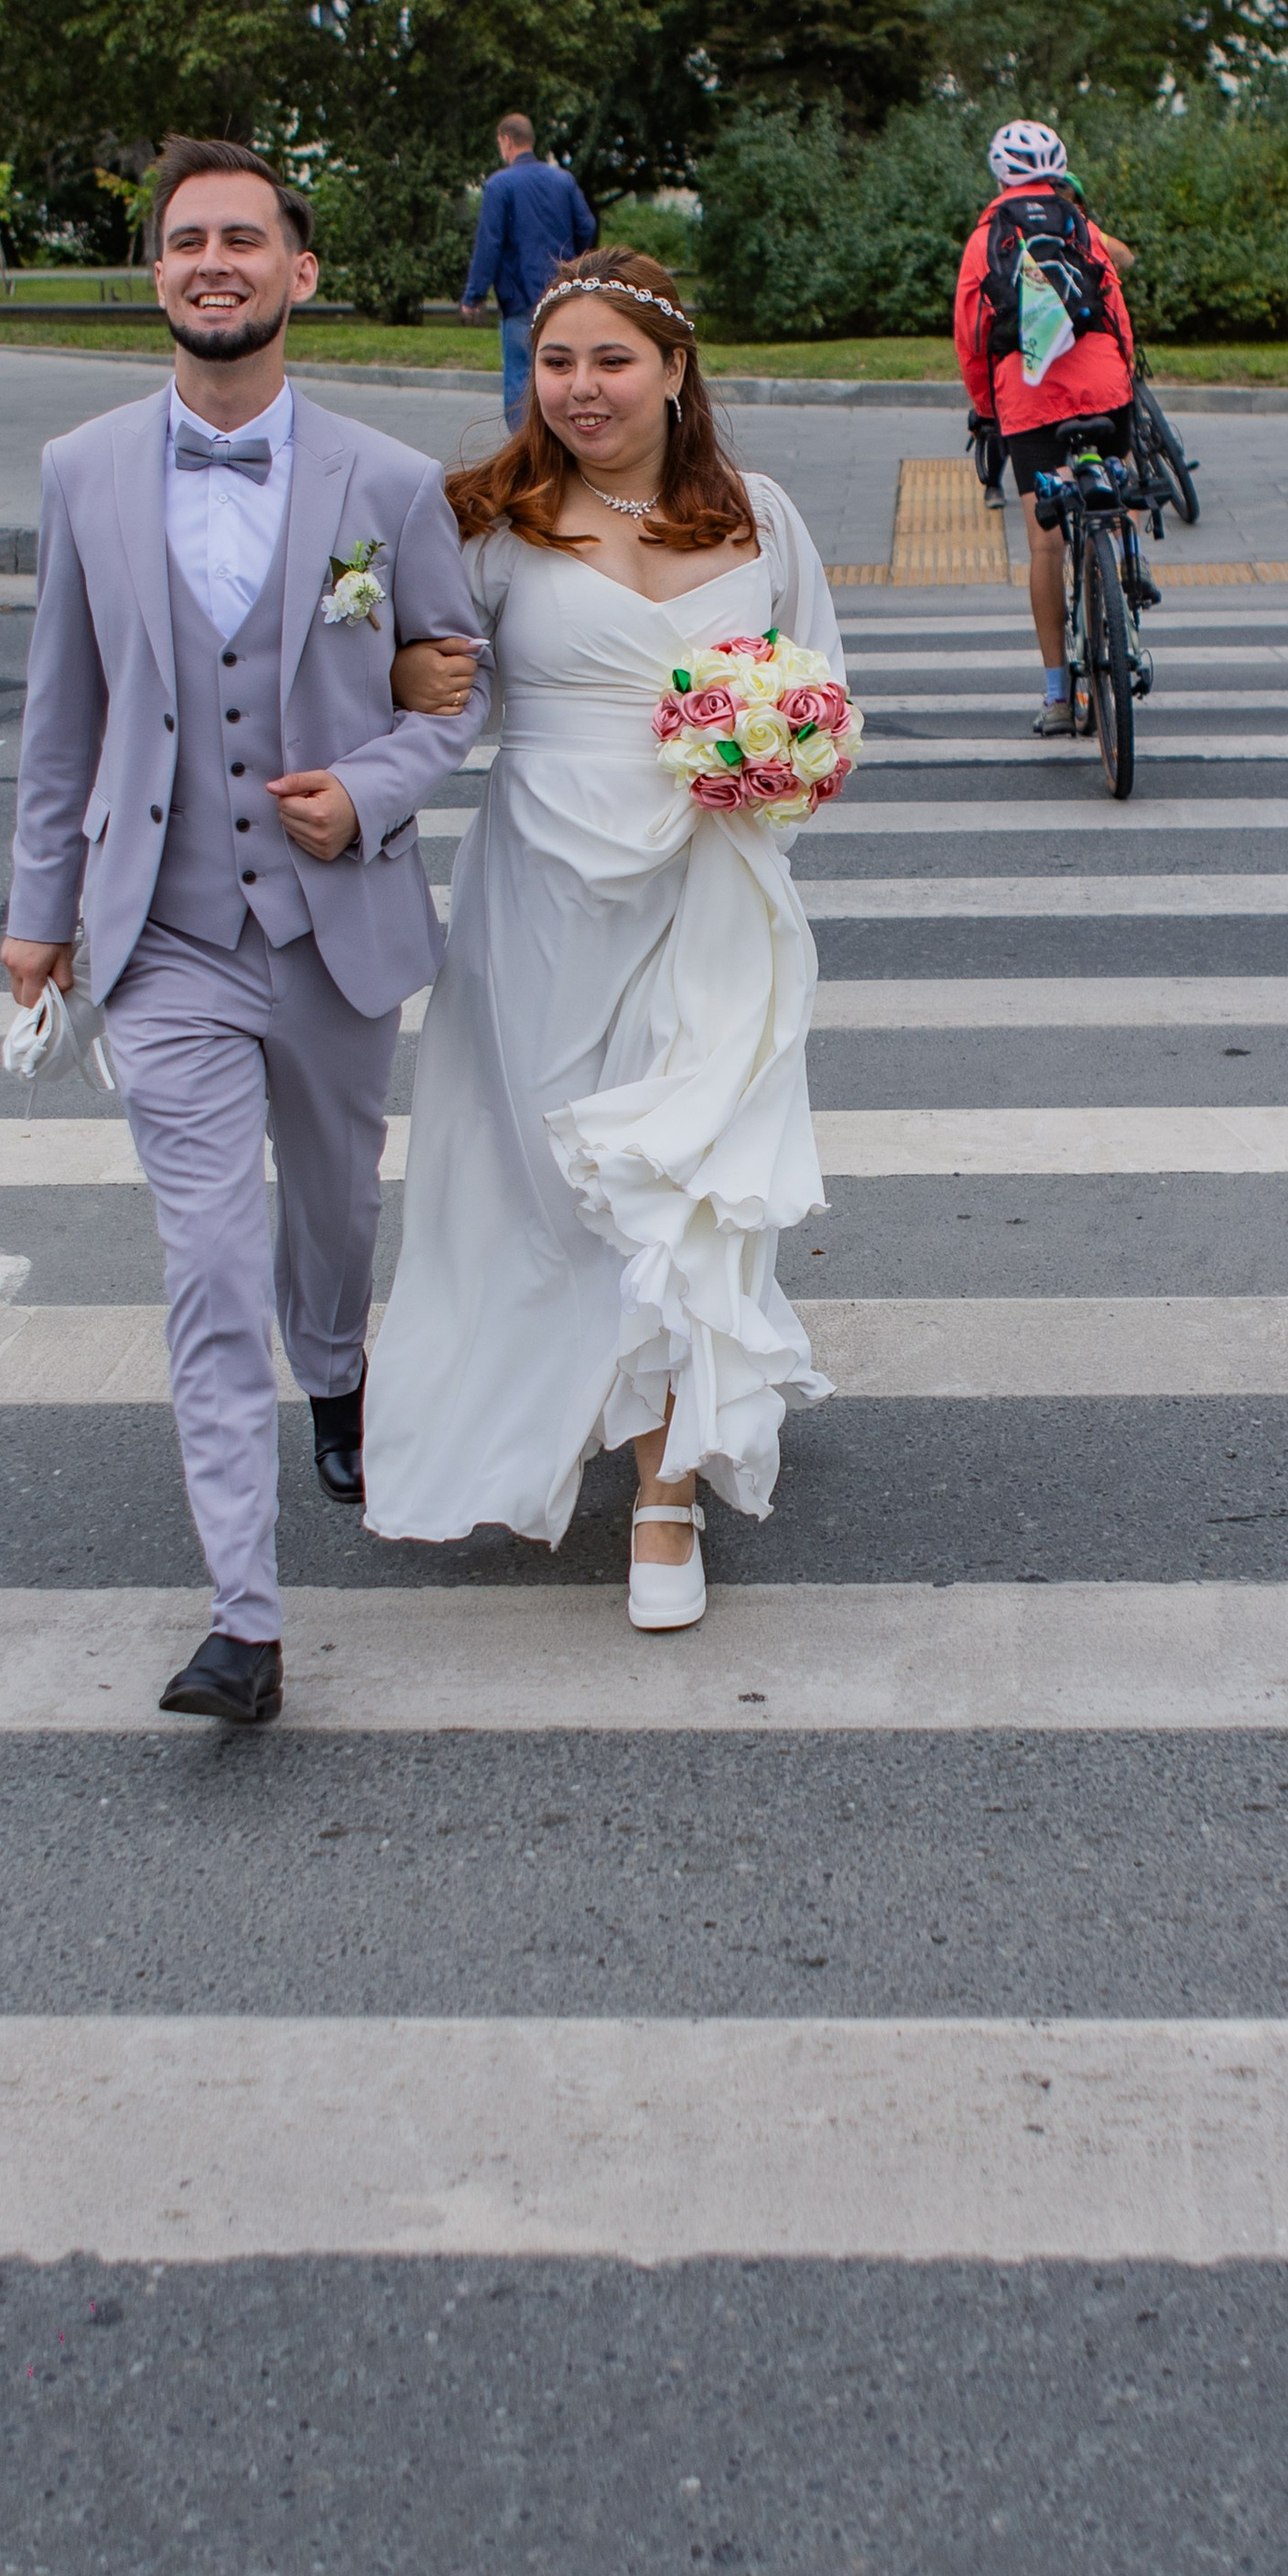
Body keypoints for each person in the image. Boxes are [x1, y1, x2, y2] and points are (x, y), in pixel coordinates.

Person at [0, 134, 492, 1728]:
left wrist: (366, 789)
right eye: (186, 240)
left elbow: (451, 686)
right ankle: (245, 1619)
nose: (215, 262)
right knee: (206, 1265)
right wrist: (36, 917)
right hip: (161, 937)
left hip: (330, 925)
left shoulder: (390, 482)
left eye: (245, 239)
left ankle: (338, 1368)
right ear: (158, 274)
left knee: (333, 1217)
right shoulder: (82, 470)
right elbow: (56, 714)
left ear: (301, 273)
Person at [363, 247, 842, 1634]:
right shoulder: (489, 526)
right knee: (558, 1188)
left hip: (713, 890)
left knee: (686, 1179)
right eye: (555, 362)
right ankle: (577, 1398)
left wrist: (779, 760)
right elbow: (428, 700)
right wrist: (405, 673)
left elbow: (820, 697)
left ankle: (667, 1494)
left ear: (676, 372)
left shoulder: (762, 521)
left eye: (610, 359)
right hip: (544, 898)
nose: (579, 387)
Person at [952, 118, 1138, 733]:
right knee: (1117, 494)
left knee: (1044, 544)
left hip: (1027, 398)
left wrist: (986, 409)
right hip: (1104, 386)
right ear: (1060, 172)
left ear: (999, 175)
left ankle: (1058, 695)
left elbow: (972, 336)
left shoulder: (986, 239)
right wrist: (1124, 378)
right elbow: (1114, 306)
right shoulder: (1081, 225)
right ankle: (1127, 580)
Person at [460, 111, 599, 428]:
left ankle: (526, 453)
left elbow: (490, 244)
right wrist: (574, 266)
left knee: (522, 376)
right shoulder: (563, 180)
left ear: (506, 141)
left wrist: (474, 296)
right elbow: (586, 224)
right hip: (562, 293)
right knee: (561, 368)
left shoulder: (500, 185)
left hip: (519, 295)